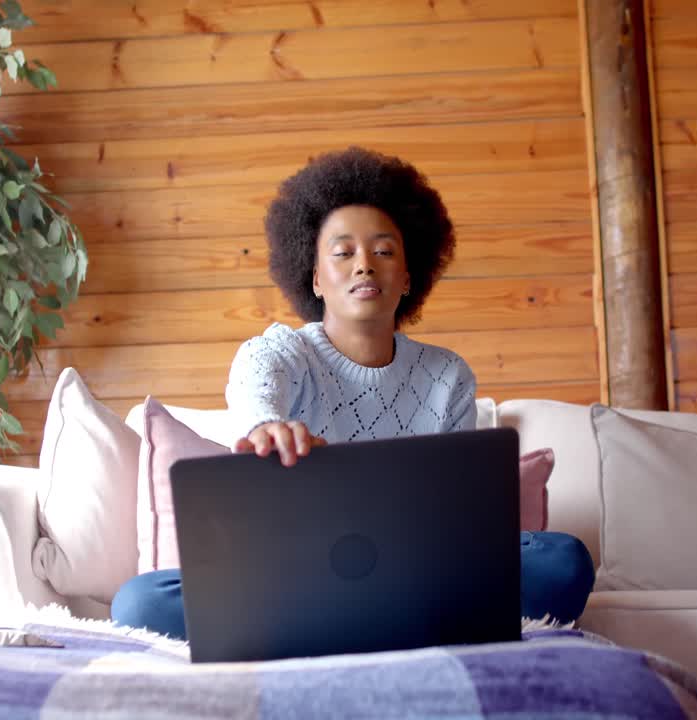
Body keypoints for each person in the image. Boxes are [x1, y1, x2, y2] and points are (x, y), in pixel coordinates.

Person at [111, 147, 594, 640]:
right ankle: (377, 618)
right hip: (295, 568)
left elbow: (458, 509)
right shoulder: (284, 351)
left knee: (562, 560)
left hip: (418, 568)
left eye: (384, 252)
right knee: (140, 600)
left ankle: (338, 621)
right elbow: (255, 380)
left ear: (408, 277)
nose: (364, 265)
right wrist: (264, 427)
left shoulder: (448, 375)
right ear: (316, 278)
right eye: (343, 253)